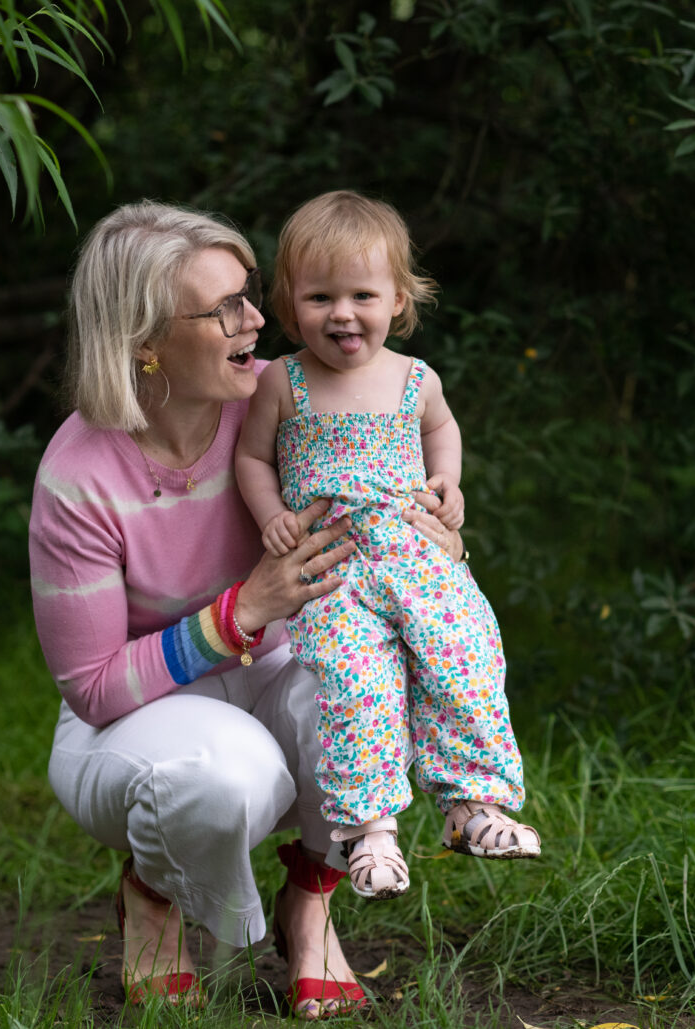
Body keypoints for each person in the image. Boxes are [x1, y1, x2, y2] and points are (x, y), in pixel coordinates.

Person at [29, 200, 465, 1018]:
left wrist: (439, 538)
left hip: (272, 661)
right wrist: (241, 612)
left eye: (251, 293)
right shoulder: (81, 472)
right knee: (229, 778)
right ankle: (154, 889)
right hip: (135, 713)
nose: (256, 319)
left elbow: (388, 495)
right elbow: (90, 685)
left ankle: (311, 904)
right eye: (224, 307)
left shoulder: (280, 398)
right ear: (144, 341)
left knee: (368, 690)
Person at [235, 190, 541, 902]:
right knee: (357, 682)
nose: (342, 313)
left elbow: (443, 432)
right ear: (288, 304)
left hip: (414, 554)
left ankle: (471, 802)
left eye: (362, 294)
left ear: (398, 300)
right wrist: (272, 512)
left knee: (462, 652)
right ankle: (371, 830)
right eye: (319, 297)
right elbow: (252, 458)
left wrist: (449, 484)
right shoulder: (284, 380)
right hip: (335, 564)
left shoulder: (416, 378)